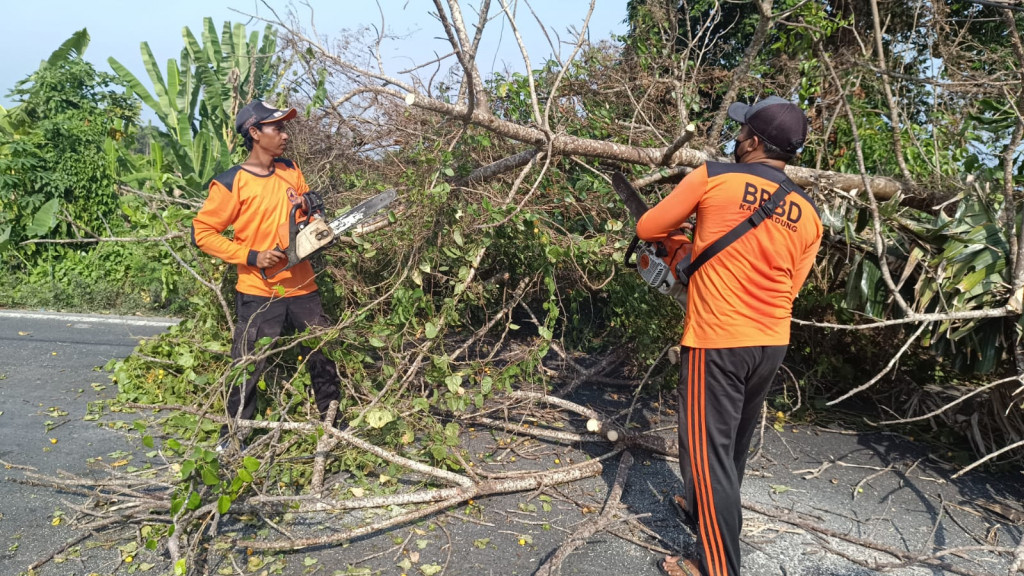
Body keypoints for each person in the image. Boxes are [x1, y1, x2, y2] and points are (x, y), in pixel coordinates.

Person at [636, 96, 823, 576]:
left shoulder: (713, 176)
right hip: (770, 342)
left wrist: (683, 244)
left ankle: (716, 568)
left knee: (706, 449)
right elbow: (791, 287)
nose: (736, 138)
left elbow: (648, 226)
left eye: (742, 132)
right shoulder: (808, 213)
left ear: (755, 142)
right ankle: (702, 506)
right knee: (732, 442)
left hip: (718, 339)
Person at [192, 99, 342, 451]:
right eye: (278, 129)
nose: (285, 135)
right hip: (259, 288)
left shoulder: (290, 170)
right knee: (248, 363)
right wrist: (251, 255)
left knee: (321, 353)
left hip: (303, 284)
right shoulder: (232, 183)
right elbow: (203, 233)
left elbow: (303, 208)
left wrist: (311, 210)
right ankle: (233, 436)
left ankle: (332, 423)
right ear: (255, 133)